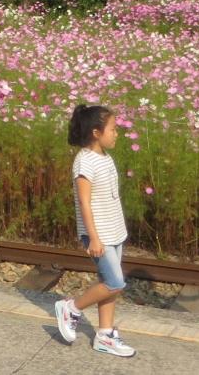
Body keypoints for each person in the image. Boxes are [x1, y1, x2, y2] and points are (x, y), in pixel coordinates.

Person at [52, 104, 135, 358]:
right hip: (99, 234)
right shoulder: (84, 162)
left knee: (109, 284)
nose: (117, 133)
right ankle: (71, 308)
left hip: (114, 230)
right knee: (115, 283)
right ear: (96, 133)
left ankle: (105, 335)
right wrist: (94, 238)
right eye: (113, 129)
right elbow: (84, 203)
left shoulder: (104, 157)